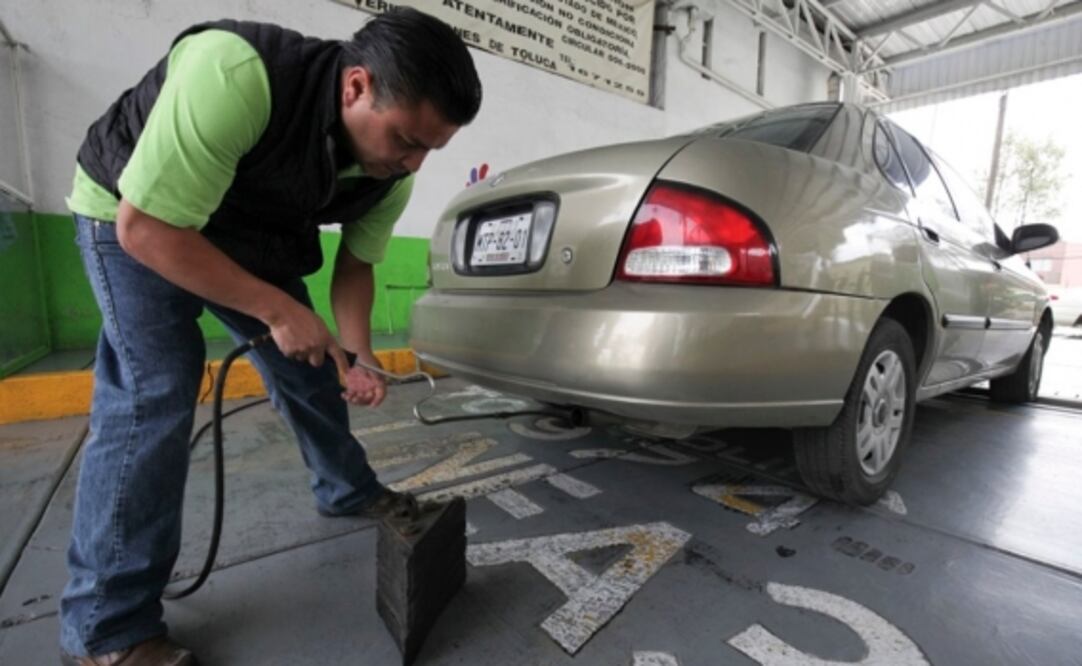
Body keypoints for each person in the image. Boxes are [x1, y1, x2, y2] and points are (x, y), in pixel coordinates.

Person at [59, 8, 482, 665]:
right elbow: (148, 230)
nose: (413, 162)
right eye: (405, 140)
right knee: (156, 388)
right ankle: (107, 629)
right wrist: (280, 311)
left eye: (431, 148)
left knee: (314, 367)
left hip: (243, 230)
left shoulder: (391, 173)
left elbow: (356, 267)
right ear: (355, 88)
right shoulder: (235, 73)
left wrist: (359, 356)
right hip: (131, 213)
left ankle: (348, 489)